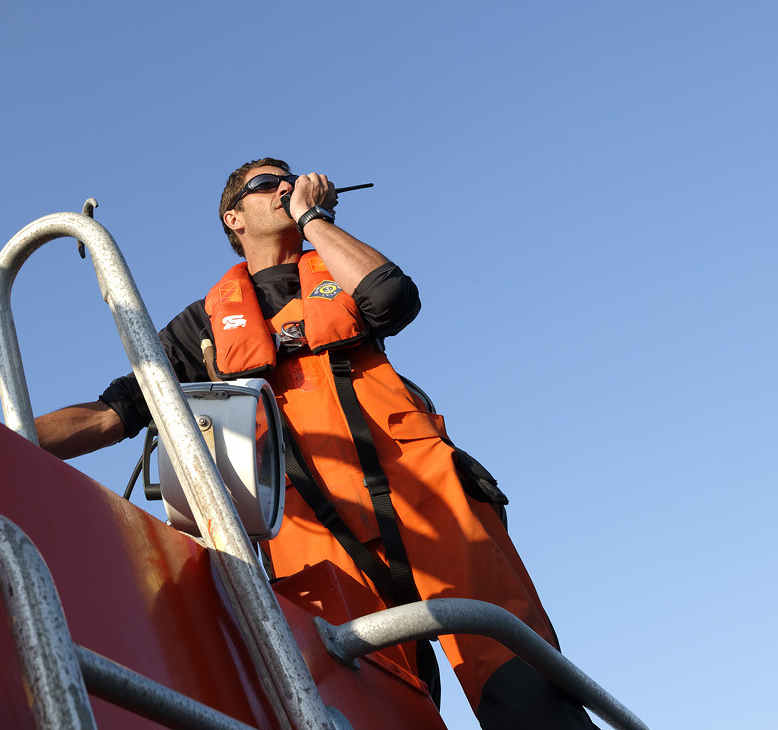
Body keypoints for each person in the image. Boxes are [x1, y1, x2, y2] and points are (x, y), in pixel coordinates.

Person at [36, 158, 596, 730]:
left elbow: (393, 296)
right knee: (370, 711)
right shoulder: (200, 325)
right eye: (267, 183)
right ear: (233, 218)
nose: (285, 186)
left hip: (429, 503)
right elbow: (115, 413)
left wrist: (314, 218)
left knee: (524, 687)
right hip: (316, 545)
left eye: (291, 178)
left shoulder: (336, 263)